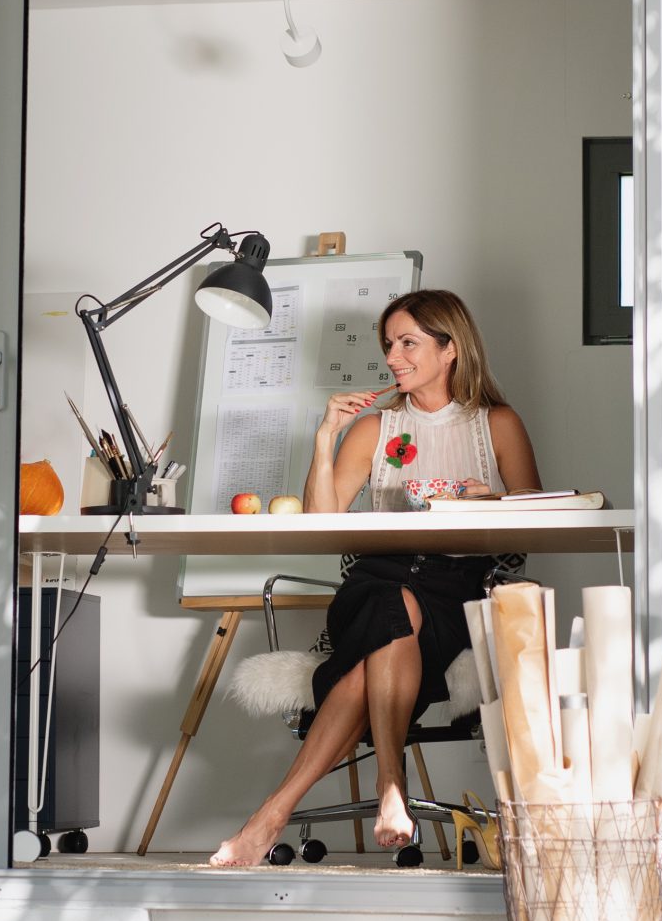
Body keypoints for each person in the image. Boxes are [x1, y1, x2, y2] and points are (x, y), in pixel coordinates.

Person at [209, 289, 540, 867]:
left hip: (454, 592)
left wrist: (492, 502)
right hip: (375, 578)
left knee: (381, 646)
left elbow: (536, 518)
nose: (393, 357)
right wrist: (325, 437)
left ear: (450, 349)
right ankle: (392, 782)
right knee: (393, 601)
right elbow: (320, 523)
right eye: (388, 344)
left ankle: (273, 814)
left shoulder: (498, 425)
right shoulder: (374, 428)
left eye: (408, 343)